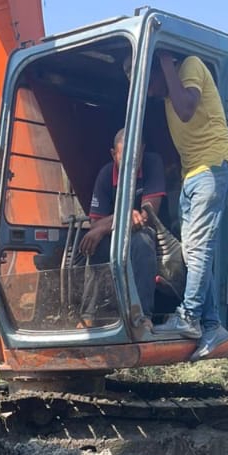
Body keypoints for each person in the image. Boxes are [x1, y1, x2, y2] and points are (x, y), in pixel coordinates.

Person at [145, 52, 228, 361]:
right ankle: (212, 326)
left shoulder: (191, 67)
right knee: (194, 252)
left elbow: (187, 110)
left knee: (197, 249)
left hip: (213, 168)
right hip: (192, 175)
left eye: (148, 83)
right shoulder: (168, 93)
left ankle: (189, 316)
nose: (149, 92)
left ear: (160, 68)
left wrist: (167, 63)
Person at [80, 129, 166, 323]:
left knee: (142, 241)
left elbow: (147, 217)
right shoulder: (105, 174)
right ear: (113, 154)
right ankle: (88, 316)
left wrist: (108, 224)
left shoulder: (153, 164)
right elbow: (95, 225)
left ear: (143, 150)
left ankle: (142, 317)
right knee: (94, 244)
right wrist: (122, 219)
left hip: (148, 234)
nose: (130, 163)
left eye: (135, 157)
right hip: (114, 234)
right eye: (123, 157)